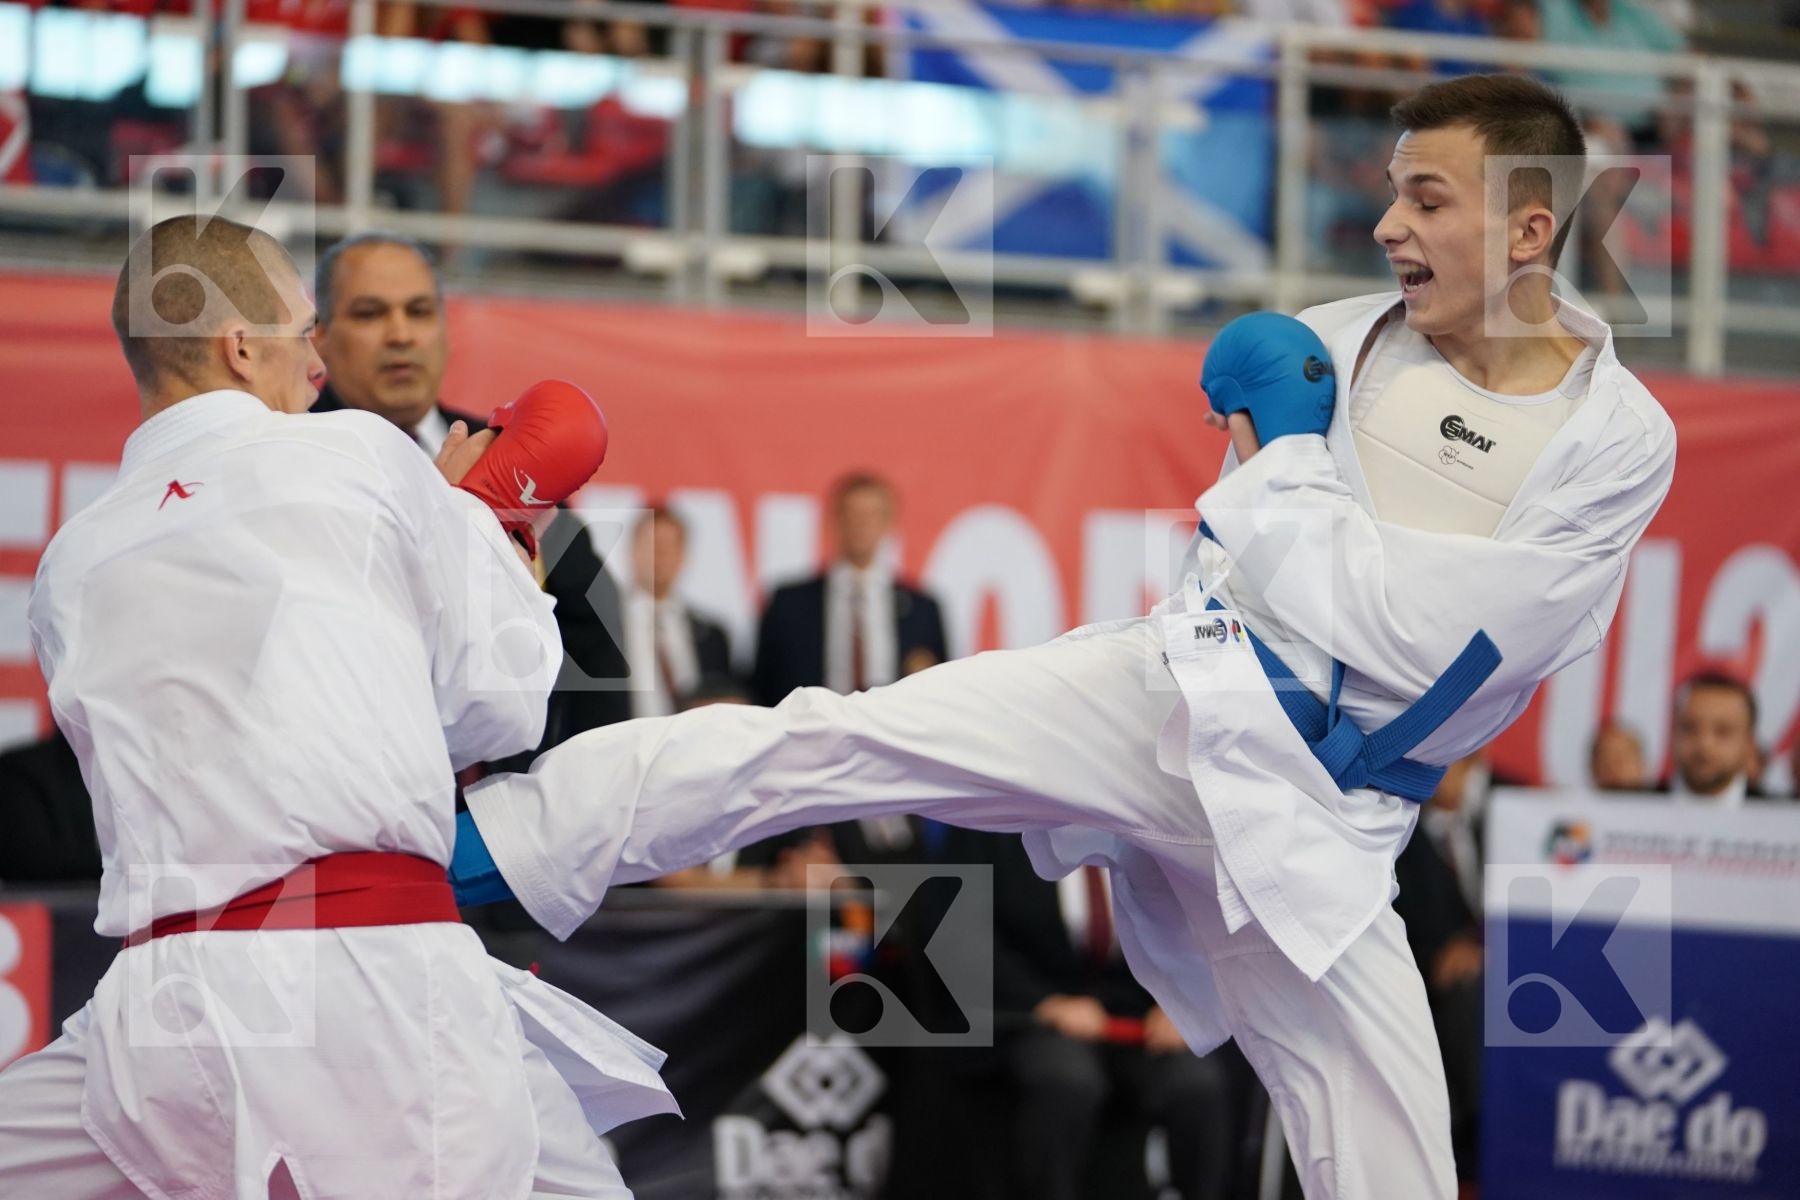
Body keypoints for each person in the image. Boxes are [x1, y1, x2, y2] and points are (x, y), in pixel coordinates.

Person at [453, 74, 1676, 1198]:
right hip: (1171, 694)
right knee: (830, 735)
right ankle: (493, 842)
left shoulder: (1615, 440)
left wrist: (1291, 467)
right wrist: (1296, 519)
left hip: (1321, 818)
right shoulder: (1335, 337)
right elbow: (1251, 566)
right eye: (1390, 194)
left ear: (1529, 227)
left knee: (1391, 1146)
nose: (1387, 227)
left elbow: (1448, 644)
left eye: (1426, 197)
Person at [0, 215, 673, 1199]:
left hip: (157, 1003)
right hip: (365, 980)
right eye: (309, 330)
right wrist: (485, 535)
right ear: (240, 345)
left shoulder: (71, 561)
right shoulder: (361, 455)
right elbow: (499, 710)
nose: (317, 364)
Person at [310, 231, 632, 757]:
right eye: (370, 314)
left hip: (504, 802)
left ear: (443, 328)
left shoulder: (513, 452)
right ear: (319, 336)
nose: (400, 334)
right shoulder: (291, 456)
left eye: (419, 312)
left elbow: (590, 641)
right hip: (349, 777)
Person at [624, 505, 735, 718]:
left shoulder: (712, 635)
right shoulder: (604, 627)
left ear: (683, 555)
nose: (660, 556)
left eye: (669, 546)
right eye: (653, 545)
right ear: (632, 550)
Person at [1665, 671, 1764, 803]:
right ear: (1673, 733)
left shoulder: (1783, 816)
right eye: (1690, 728)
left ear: (1749, 743)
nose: (1704, 743)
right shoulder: (1637, 807)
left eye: (1723, 731)